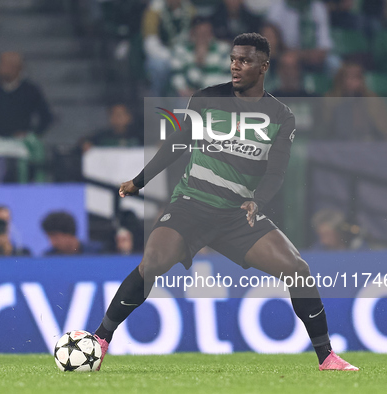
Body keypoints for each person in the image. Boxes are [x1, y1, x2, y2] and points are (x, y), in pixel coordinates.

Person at [92, 33, 358, 372]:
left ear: (263, 67)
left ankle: (327, 357)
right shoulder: (207, 99)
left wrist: (257, 201)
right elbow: (178, 142)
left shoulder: (280, 116)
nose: (235, 65)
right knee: (153, 262)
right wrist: (139, 181)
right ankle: (101, 339)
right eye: (233, 58)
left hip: (238, 214)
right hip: (191, 205)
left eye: (245, 60)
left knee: (298, 270)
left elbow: (276, 172)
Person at [0, 51, 52, 139]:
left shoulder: (30, 90)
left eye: (7, 65)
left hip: (20, 143)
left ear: (18, 69)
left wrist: (31, 134)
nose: (0, 68)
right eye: (0, 64)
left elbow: (46, 117)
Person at [142, 0, 196, 96]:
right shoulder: (154, 11)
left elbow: (194, 36)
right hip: (161, 54)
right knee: (158, 66)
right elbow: (150, 42)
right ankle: (156, 97)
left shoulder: (190, 10)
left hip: (184, 52)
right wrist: (170, 56)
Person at [266, 0, 335, 72]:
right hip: (284, 55)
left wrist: (299, 55)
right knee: (288, 61)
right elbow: (270, 41)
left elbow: (324, 48)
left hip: (313, 57)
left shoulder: (318, 8)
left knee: (336, 65)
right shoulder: (277, 7)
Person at [170, 17, 231, 97]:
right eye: (199, 33)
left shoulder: (223, 50)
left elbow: (229, 77)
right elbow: (177, 78)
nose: (203, 37)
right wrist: (198, 62)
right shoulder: (181, 52)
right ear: (192, 33)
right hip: (189, 96)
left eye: (206, 33)